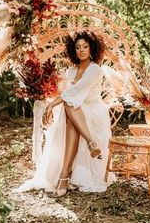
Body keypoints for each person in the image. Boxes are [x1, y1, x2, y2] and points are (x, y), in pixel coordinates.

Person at [12, 31, 116, 195]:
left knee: (69, 105)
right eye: (77, 47)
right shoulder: (71, 72)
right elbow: (70, 95)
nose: (81, 50)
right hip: (76, 111)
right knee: (70, 108)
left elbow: (76, 92)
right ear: (73, 50)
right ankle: (89, 145)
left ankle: (64, 176)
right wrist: (51, 101)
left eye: (85, 47)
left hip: (94, 110)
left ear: (92, 49)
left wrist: (52, 105)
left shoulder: (96, 70)